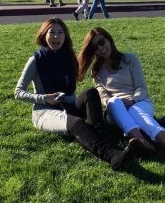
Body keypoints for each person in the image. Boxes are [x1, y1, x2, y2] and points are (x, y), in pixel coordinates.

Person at [14, 18, 132, 170]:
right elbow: (18, 92)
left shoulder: (68, 56)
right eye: (52, 32)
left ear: (65, 36)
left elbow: (78, 78)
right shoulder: (36, 60)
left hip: (67, 105)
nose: (56, 36)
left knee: (91, 92)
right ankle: (112, 155)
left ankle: (104, 137)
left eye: (60, 32)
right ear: (44, 35)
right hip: (45, 111)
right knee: (76, 123)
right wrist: (44, 98)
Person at [77, 27, 165, 161]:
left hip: (139, 102)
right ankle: (143, 143)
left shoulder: (130, 59)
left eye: (101, 42)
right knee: (113, 101)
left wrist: (133, 101)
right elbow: (103, 96)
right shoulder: (97, 71)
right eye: (95, 47)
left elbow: (141, 87)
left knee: (135, 111)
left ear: (109, 39)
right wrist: (117, 102)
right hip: (116, 110)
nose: (100, 48)